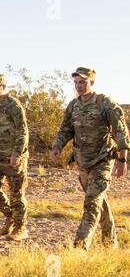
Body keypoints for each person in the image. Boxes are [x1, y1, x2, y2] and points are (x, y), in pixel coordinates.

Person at [51, 67, 129, 250]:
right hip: (83, 162)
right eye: (76, 82)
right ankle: (110, 244)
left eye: (83, 82)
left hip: (103, 160)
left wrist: (122, 159)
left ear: (92, 82)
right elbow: (66, 130)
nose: (79, 86)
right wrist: (57, 146)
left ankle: (80, 247)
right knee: (99, 201)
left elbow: (120, 131)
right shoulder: (73, 106)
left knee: (91, 203)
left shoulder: (104, 103)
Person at [0, 74, 30, 241]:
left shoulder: (14, 106)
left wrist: (17, 154)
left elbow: (23, 132)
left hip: (14, 156)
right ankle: (10, 216)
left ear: (3, 86)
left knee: (16, 193)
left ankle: (20, 228)